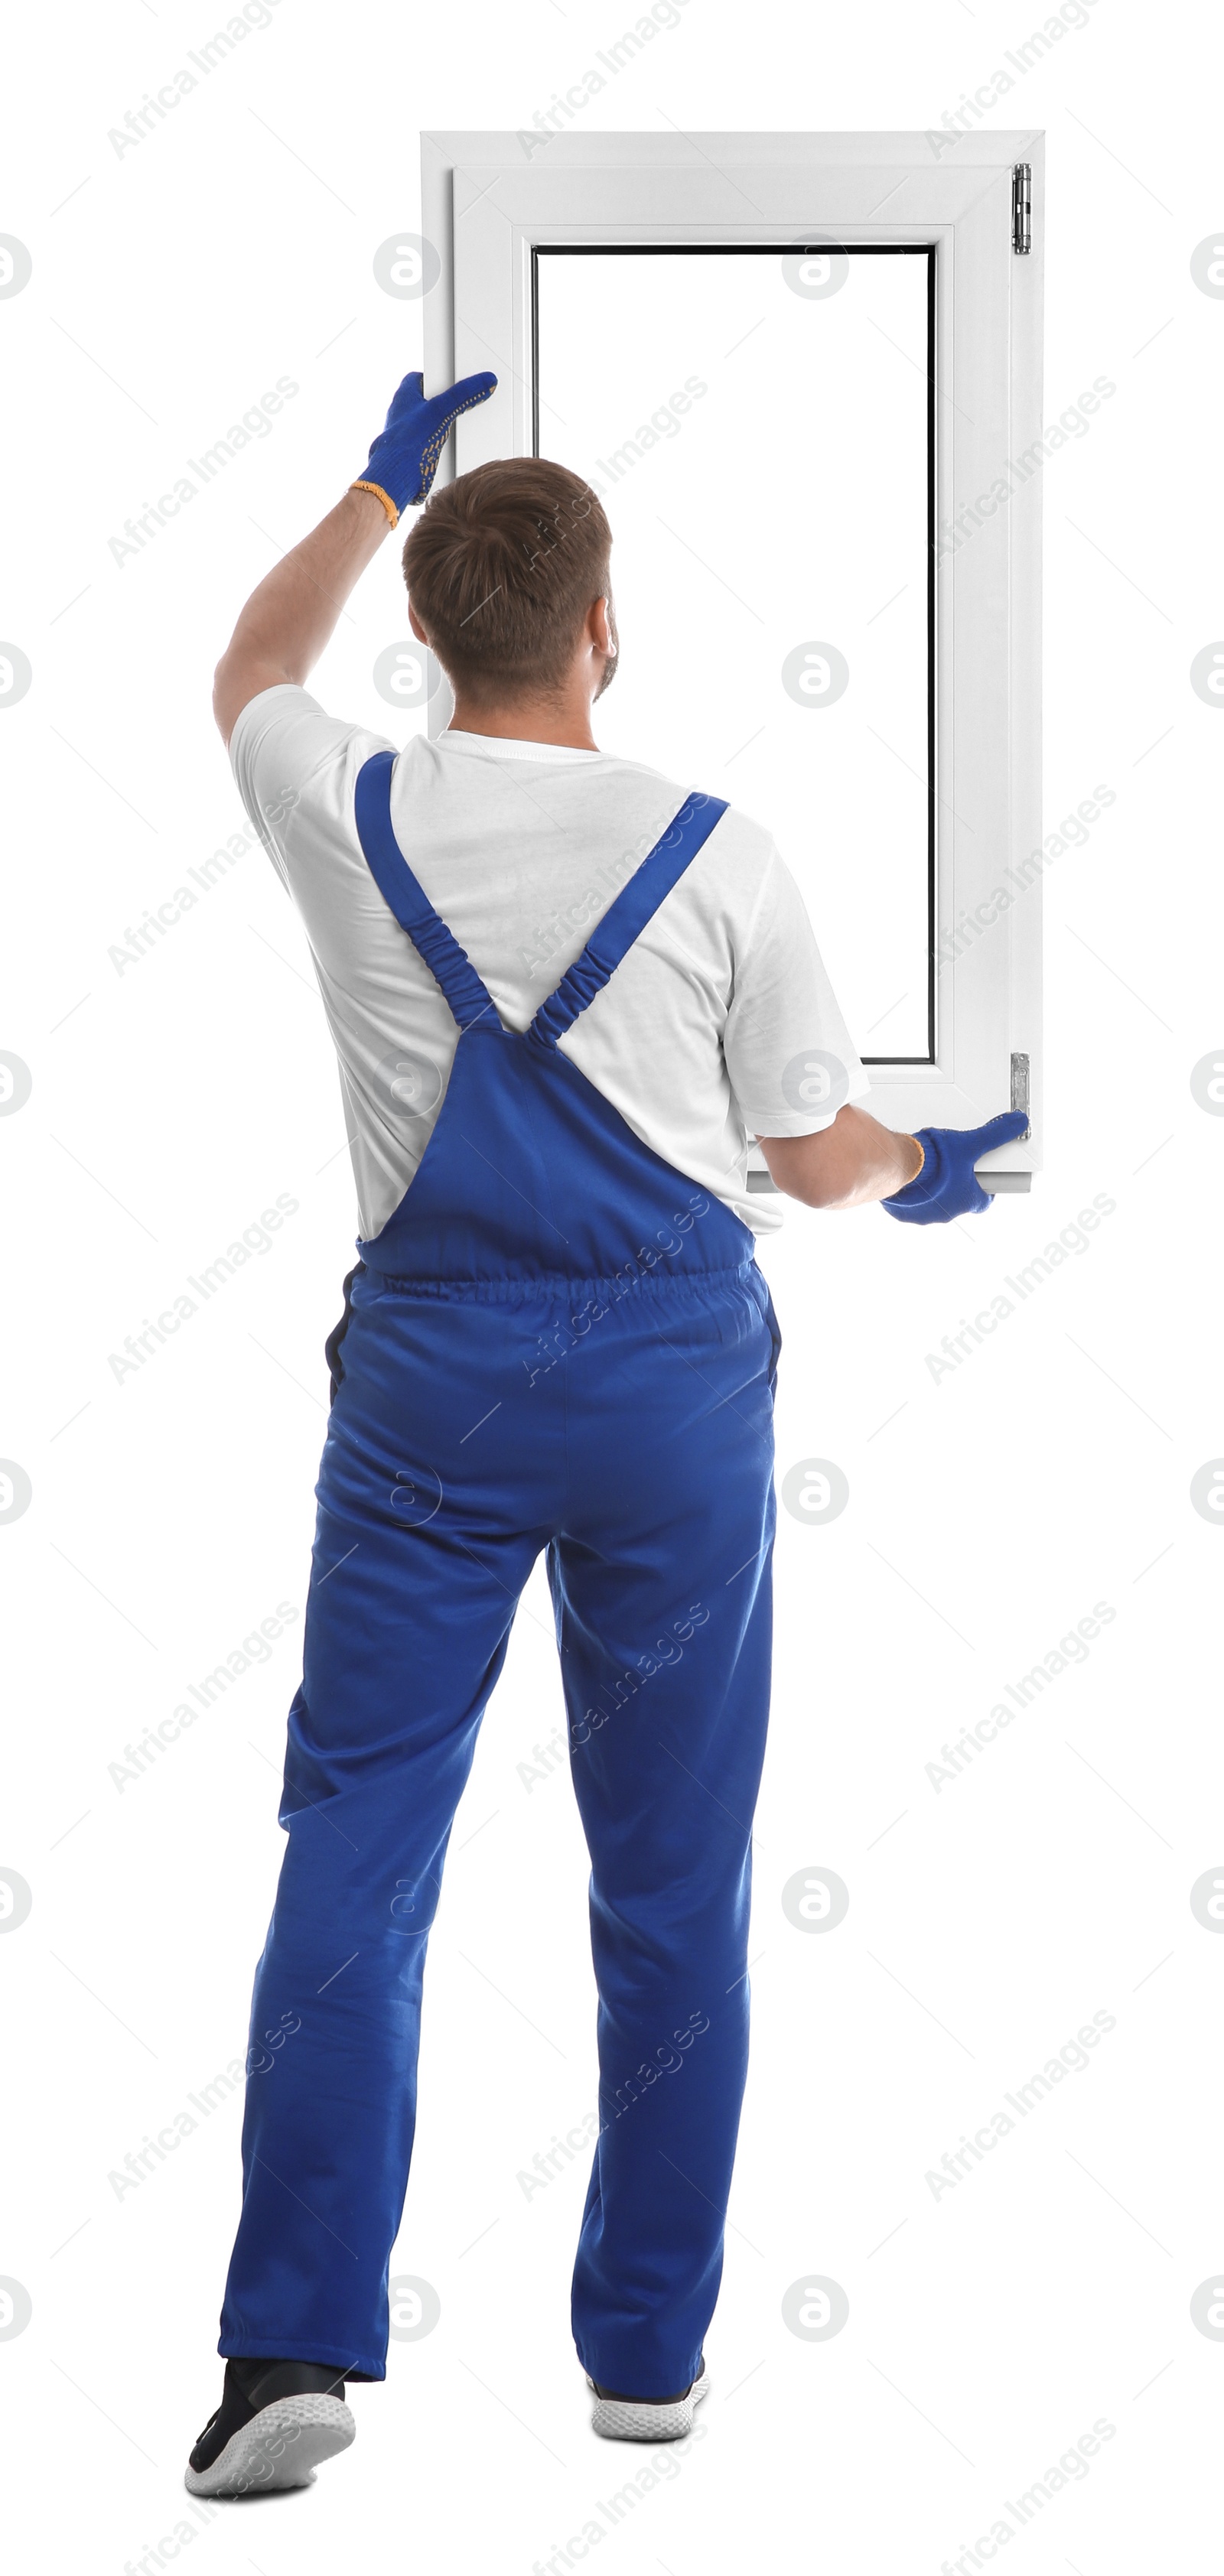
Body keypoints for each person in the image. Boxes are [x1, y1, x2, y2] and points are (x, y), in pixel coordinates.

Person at [184, 368, 1027, 2499]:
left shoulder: (341, 800)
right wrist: (924, 1166)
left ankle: (291, 2350)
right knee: (671, 1879)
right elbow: (810, 1152)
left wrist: (379, 474)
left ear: (438, 636)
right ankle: (644, 2356)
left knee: (358, 1847)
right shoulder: (719, 852)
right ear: (602, 631)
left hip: (429, 1398)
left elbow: (246, 663)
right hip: (666, 1397)